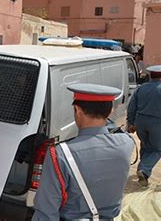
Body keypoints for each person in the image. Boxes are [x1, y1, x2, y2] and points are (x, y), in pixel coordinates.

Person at [32, 83, 134, 221]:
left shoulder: (61, 153)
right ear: (110, 112)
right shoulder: (126, 143)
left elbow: (46, 212)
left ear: (77, 109)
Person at [127, 65, 161, 187]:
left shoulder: (141, 88)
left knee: (146, 145)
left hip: (141, 121)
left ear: (150, 75)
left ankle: (144, 176)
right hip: (158, 123)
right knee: (158, 149)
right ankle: (144, 169)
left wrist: (130, 122)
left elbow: (131, 107)